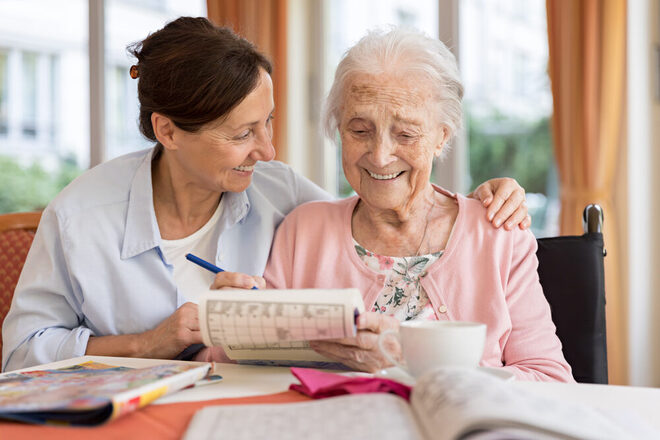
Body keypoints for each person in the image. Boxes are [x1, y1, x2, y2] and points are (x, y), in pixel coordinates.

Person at [2, 18, 529, 372]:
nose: (268, 150)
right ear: (167, 131)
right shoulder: (80, 216)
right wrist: (146, 344)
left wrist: (487, 198)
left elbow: (382, 200)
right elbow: (19, 357)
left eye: (268, 122)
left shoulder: (282, 194)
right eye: (241, 135)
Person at [263, 28, 573, 382]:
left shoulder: (497, 233)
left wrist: (408, 361)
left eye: (406, 134)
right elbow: (244, 361)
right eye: (359, 130)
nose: (379, 157)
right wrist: (223, 323)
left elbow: (552, 380)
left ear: (442, 136)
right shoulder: (302, 231)